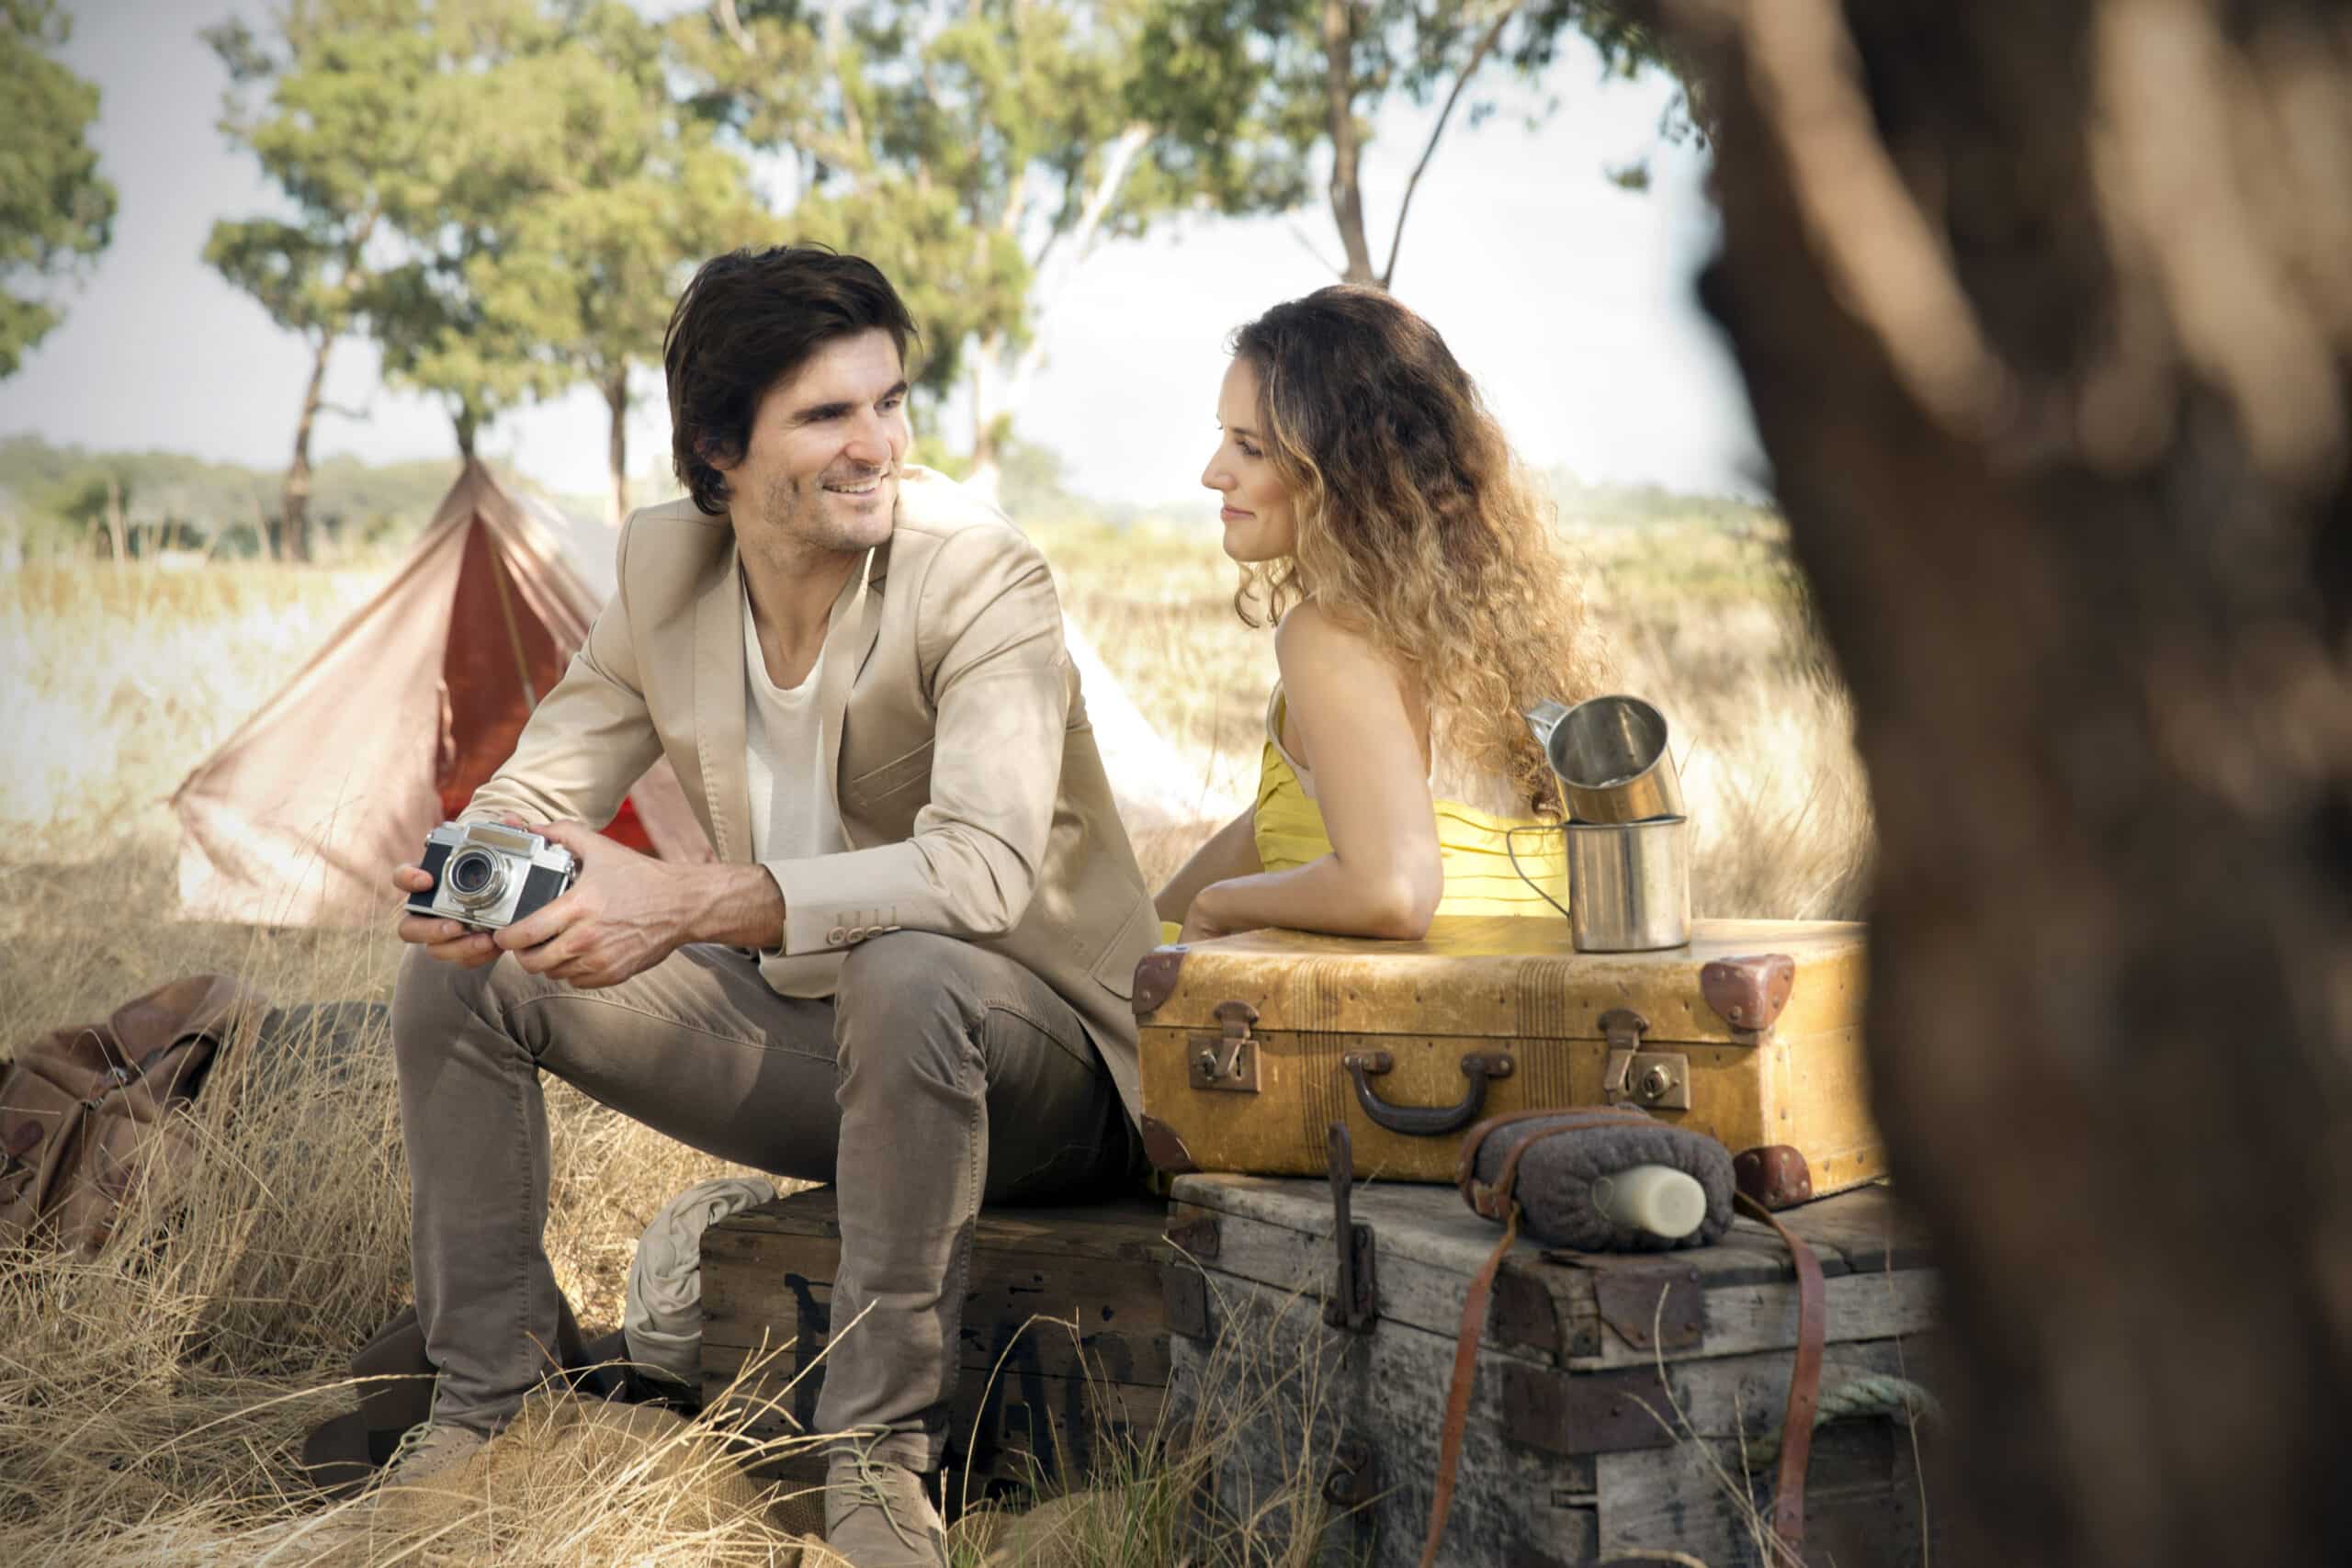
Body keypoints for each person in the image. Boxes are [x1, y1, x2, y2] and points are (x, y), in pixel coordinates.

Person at [384, 246, 1158, 1568]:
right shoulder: (666, 570)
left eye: (889, 401)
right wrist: (476, 874)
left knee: (909, 970)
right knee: (463, 973)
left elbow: (979, 872)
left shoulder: (979, 571)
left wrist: (687, 900)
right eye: (826, 415)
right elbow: (544, 776)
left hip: (1041, 1066)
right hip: (827, 1047)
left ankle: (876, 1457)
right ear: (718, 453)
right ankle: (493, 1404)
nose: (877, 445)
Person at [1156, 285, 1610, 946]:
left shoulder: (1329, 634)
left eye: (1249, 447)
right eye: (1222, 437)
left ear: (1341, 470)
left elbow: (1393, 888)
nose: (1211, 472)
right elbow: (1289, 823)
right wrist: (1149, 922)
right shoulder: (1491, 638)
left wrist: (1217, 909)